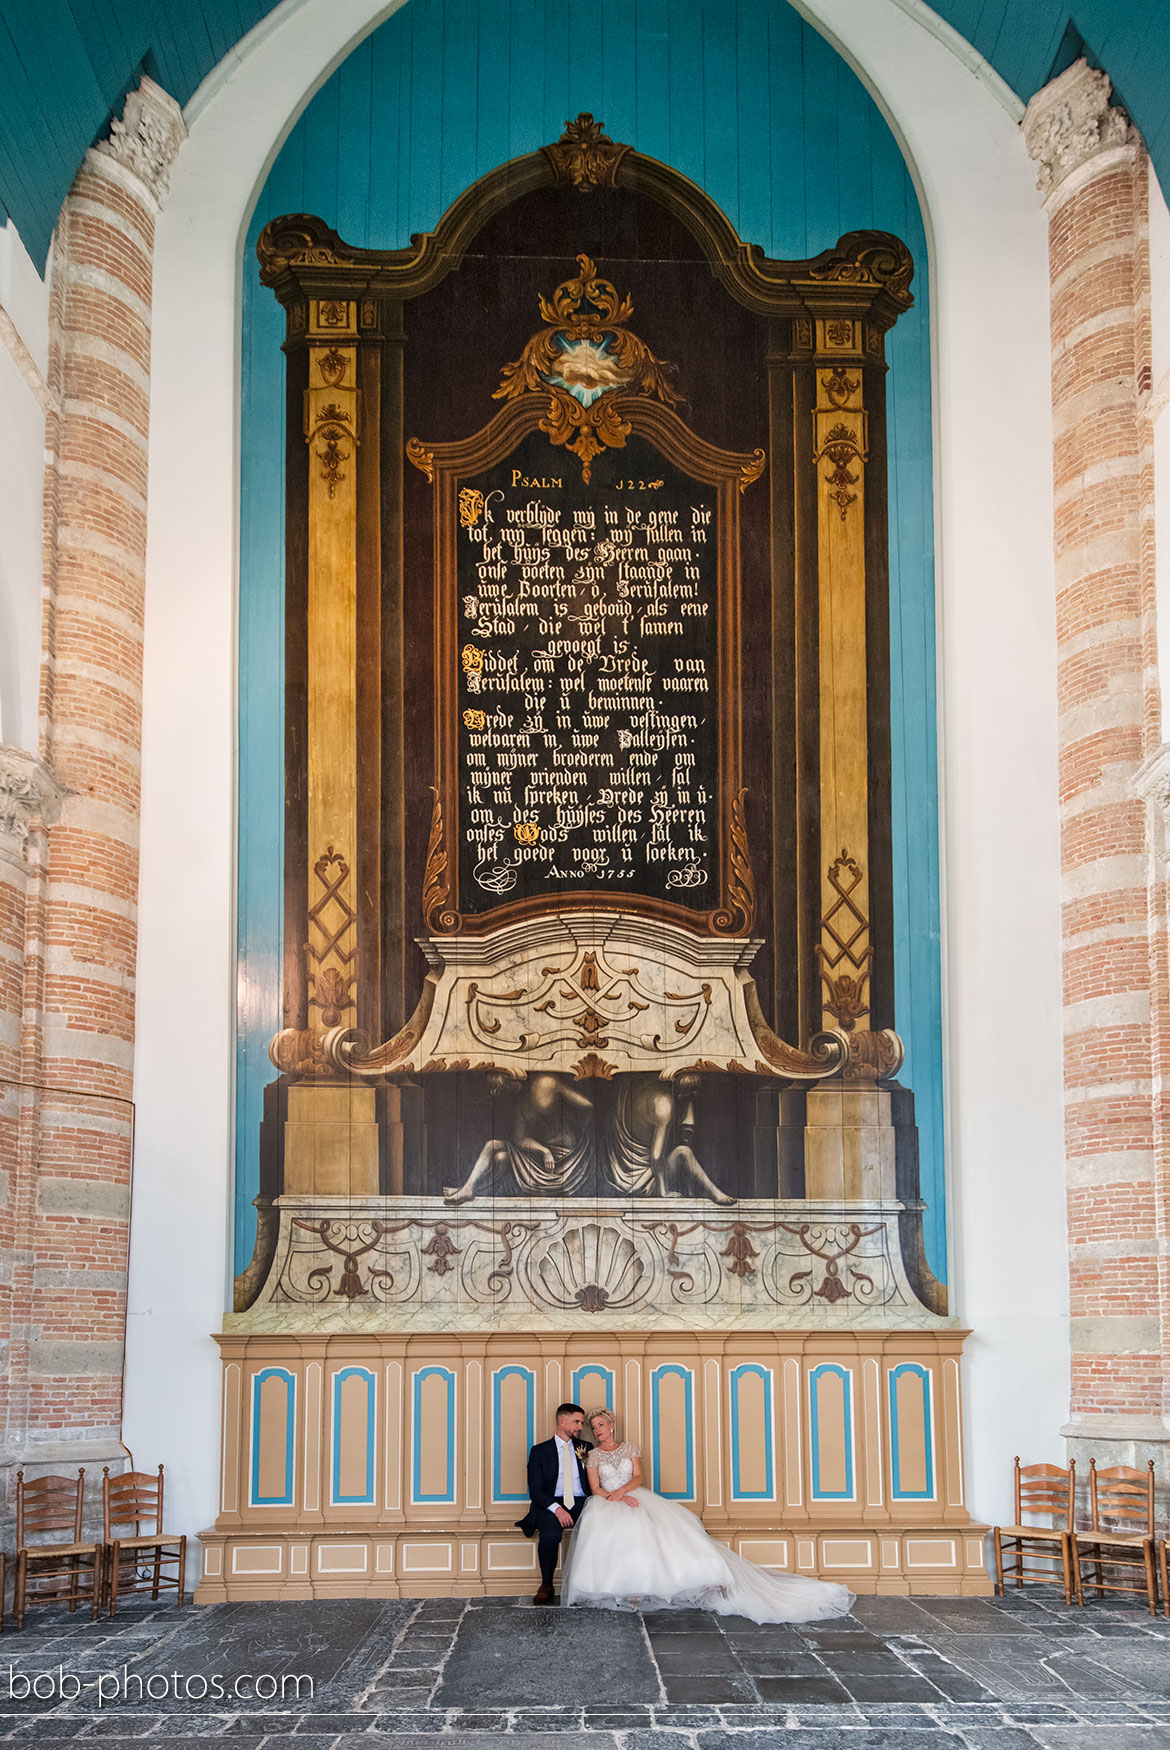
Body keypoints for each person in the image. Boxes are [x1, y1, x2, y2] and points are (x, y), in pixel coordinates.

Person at [561, 1408, 854, 1622]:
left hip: (634, 1496)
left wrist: (624, 1491)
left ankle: (703, 1579)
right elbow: (594, 1488)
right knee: (618, 1541)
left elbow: (639, 1476)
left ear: (611, 1425)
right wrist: (613, 1497)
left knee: (665, 1539)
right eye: (593, 1426)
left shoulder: (630, 1447)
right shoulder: (593, 1454)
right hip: (608, 1503)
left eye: (601, 1424)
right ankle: (627, 1592)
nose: (597, 1429)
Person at [444, 1074, 594, 1204]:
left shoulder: (548, 1082)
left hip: (564, 1163)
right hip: (542, 1160)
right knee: (501, 1157)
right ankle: (468, 1188)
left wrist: (563, 1091)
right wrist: (544, 1151)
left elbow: (588, 1106)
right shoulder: (522, 1106)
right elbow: (520, 1139)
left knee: (492, 1146)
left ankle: (468, 1188)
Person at [515, 1401, 593, 1605]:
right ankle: (546, 1584)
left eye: (582, 1423)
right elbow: (536, 1490)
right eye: (576, 1422)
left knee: (600, 1529)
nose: (580, 1427)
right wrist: (557, 1509)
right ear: (561, 1420)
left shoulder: (586, 1448)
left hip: (582, 1502)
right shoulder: (539, 1451)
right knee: (550, 1535)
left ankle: (593, 1585)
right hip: (550, 1503)